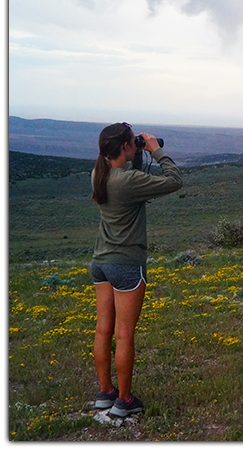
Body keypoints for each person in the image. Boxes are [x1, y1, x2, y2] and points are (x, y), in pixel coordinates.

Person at [89, 122, 183, 418]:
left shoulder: (100, 174)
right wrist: (156, 150)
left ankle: (105, 393)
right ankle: (125, 401)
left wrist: (137, 151)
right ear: (126, 147)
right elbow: (174, 181)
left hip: (100, 262)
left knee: (104, 330)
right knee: (124, 334)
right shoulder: (126, 182)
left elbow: (135, 179)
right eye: (134, 142)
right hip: (127, 264)